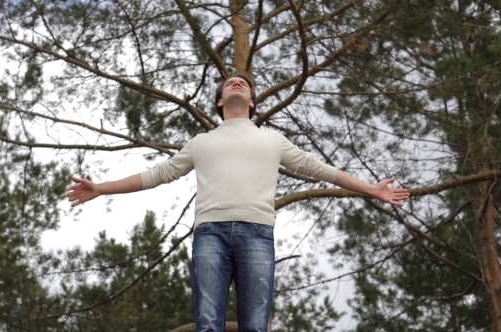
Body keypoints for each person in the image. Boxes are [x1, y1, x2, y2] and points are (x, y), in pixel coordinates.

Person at [66, 74, 410, 332]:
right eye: (229, 82)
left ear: (252, 102)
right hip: (209, 235)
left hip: (258, 234)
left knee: (256, 326)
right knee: (207, 324)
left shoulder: (273, 140)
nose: (236, 82)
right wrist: (102, 188)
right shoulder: (200, 142)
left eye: (243, 83)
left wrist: (371, 189)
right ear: (219, 102)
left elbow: (320, 169)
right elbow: (158, 174)